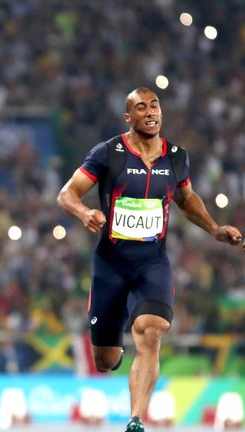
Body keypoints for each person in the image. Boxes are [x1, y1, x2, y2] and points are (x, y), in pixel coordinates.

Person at [57, 87, 244, 432]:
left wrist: (215, 229)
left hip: (152, 263)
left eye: (154, 105)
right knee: (106, 360)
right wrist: (84, 212)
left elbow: (187, 201)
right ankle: (118, 342)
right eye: (141, 108)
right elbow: (66, 193)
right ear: (129, 117)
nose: (150, 112)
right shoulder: (108, 153)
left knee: (150, 332)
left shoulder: (176, 156)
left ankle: (135, 419)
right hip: (110, 264)